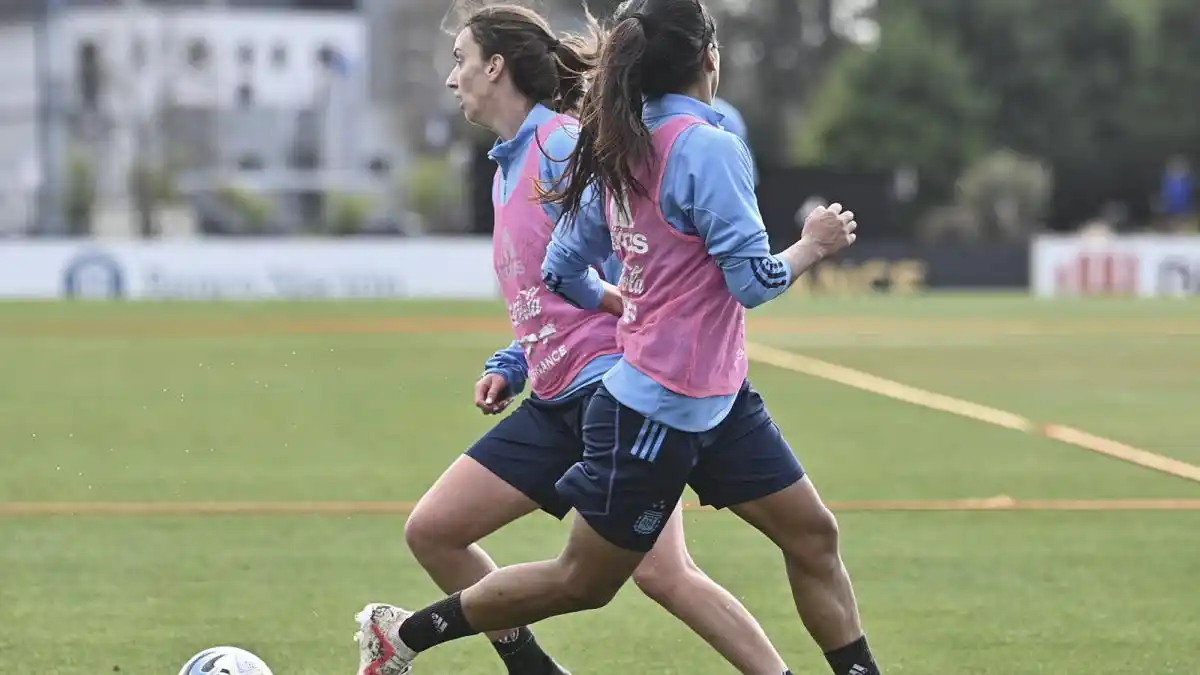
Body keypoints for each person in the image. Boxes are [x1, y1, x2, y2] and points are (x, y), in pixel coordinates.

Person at [351, 1, 879, 674]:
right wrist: (813, 244)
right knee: (583, 581)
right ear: (709, 57)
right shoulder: (691, 146)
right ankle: (411, 636)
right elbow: (751, 282)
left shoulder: (608, 144)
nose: (452, 78)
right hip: (653, 408)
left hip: (711, 397)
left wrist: (632, 304)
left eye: (459, 60)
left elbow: (561, 268)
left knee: (811, 535)